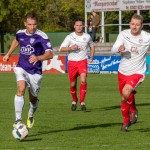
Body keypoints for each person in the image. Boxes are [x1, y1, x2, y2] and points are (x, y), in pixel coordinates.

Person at [3, 12, 53, 128]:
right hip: (22, 67)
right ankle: (18, 120)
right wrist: (8, 54)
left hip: (35, 72)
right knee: (21, 88)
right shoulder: (20, 33)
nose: (32, 27)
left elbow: (50, 54)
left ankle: (30, 114)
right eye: (29, 24)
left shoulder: (42, 36)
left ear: (37, 24)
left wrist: (38, 57)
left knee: (33, 98)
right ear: (25, 23)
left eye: (34, 24)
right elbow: (16, 40)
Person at [111, 14, 150, 132]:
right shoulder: (123, 34)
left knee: (126, 92)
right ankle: (129, 115)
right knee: (124, 98)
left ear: (142, 26)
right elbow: (113, 49)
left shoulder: (147, 37)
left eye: (137, 25)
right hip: (122, 71)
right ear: (130, 24)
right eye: (133, 24)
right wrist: (119, 49)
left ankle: (127, 120)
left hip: (138, 72)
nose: (135, 27)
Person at [59, 19, 95, 111]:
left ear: (83, 26)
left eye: (80, 25)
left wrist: (91, 56)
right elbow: (61, 49)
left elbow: (92, 45)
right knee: (72, 84)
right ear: (74, 26)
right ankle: (74, 100)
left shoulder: (87, 37)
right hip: (72, 63)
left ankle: (82, 102)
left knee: (83, 81)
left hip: (82, 62)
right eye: (77, 25)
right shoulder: (70, 37)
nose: (79, 27)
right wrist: (70, 48)